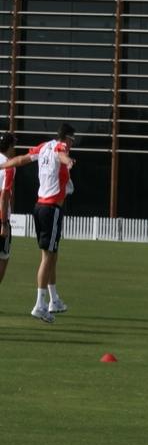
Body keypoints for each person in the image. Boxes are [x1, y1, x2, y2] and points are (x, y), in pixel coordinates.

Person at [0, 123, 78, 322]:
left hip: (41, 207)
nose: (71, 144)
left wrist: (2, 165)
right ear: (67, 138)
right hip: (51, 208)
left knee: (52, 255)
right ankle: (39, 304)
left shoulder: (43, 146)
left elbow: (21, 159)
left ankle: (53, 299)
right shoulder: (61, 147)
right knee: (47, 257)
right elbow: (61, 153)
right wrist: (67, 161)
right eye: (72, 140)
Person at [0, 132, 17, 286]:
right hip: (1, 218)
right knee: (3, 258)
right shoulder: (9, 166)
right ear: (10, 146)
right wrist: (4, 223)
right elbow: (4, 195)